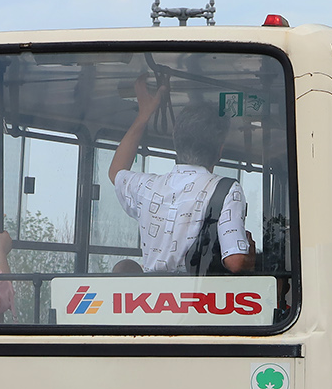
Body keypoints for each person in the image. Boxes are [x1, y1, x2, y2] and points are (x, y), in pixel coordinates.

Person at [108, 73, 256, 275]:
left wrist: (144, 115)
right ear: (219, 150)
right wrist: (250, 256)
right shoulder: (227, 190)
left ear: (176, 142)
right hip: (197, 301)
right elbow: (235, 262)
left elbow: (116, 171)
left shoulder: (147, 187)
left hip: (152, 301)